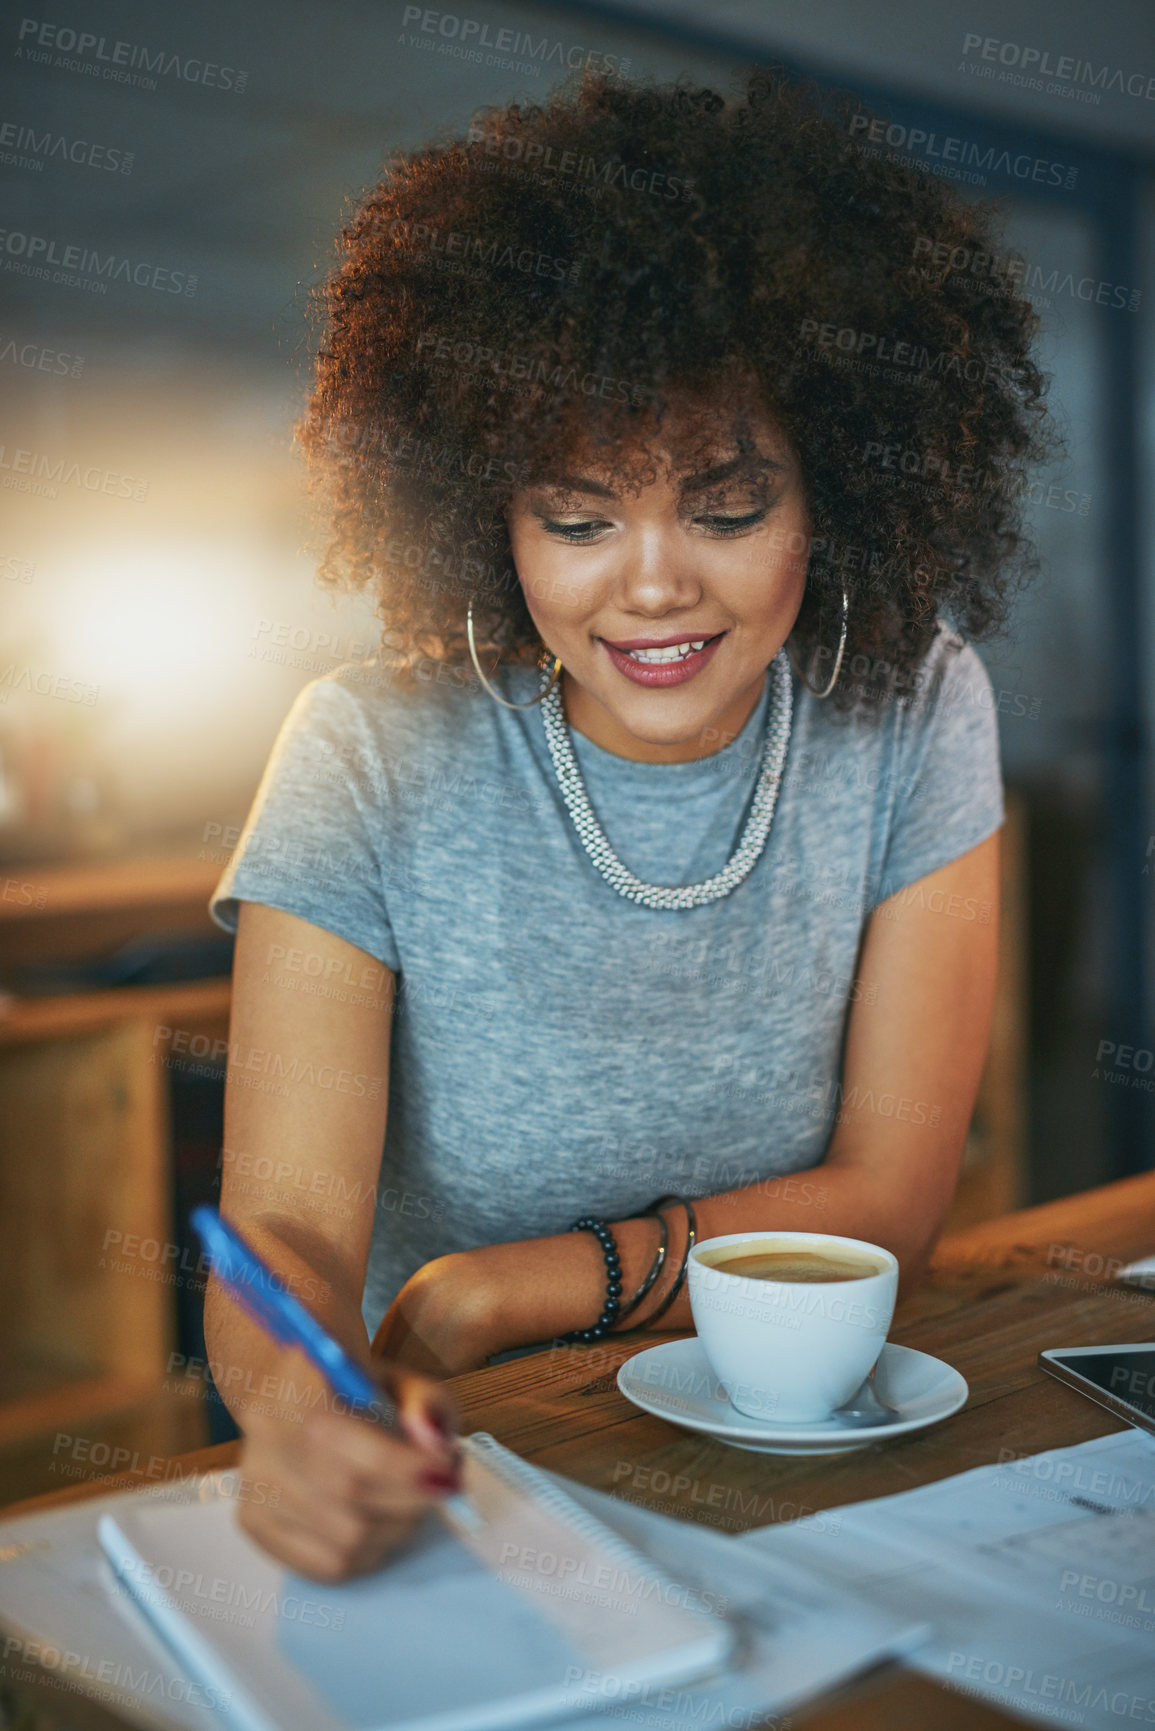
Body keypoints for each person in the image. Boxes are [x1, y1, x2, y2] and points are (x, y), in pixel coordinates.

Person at [204, 64, 1049, 1582]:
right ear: (482, 513)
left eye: (726, 510)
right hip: (452, 1452)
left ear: (836, 494)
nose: (651, 586)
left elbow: (892, 1200)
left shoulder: (915, 702)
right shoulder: (367, 750)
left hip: (779, 1435)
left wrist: (495, 1289)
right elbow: (288, 1239)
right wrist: (290, 1417)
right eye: (577, 518)